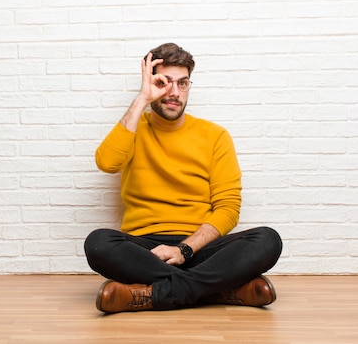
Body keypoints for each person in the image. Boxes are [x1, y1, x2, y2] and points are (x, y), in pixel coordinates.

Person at [84, 42, 283, 314]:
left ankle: (146, 295)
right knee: (98, 243)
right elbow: (107, 163)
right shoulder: (132, 129)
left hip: (200, 247)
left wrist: (184, 250)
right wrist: (141, 99)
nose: (174, 93)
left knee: (267, 240)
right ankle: (221, 290)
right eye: (164, 83)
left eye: (183, 83)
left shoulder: (215, 136)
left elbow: (228, 209)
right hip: (146, 250)